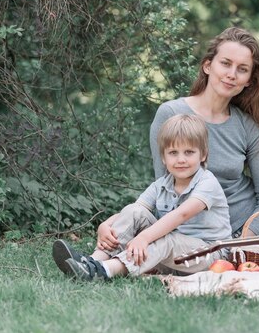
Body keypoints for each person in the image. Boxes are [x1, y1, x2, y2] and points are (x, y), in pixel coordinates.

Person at [52, 114, 231, 280]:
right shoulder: (162, 184)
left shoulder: (207, 183)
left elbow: (180, 215)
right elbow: (134, 212)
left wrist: (144, 238)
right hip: (169, 254)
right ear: (163, 157)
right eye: (173, 153)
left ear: (203, 154)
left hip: (208, 255)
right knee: (134, 211)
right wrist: (105, 225)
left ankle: (105, 270)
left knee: (166, 239)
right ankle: (91, 262)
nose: (181, 159)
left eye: (189, 152)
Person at [147, 27, 259, 239]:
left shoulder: (248, 126)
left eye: (242, 69)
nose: (231, 74)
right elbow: (163, 187)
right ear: (208, 65)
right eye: (226, 63)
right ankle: (93, 263)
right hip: (190, 229)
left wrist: (242, 239)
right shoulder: (171, 114)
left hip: (246, 226)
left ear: (248, 80)